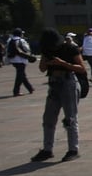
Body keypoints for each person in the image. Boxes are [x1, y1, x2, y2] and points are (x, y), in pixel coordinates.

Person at [30, 29, 86, 162]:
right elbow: (42, 68)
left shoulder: (70, 48)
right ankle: (47, 149)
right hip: (54, 84)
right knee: (48, 118)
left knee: (70, 118)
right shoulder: (47, 49)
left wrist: (62, 63)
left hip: (68, 83)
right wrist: (47, 61)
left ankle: (73, 149)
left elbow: (81, 68)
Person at [7, 28, 35, 96]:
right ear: (20, 34)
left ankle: (30, 88)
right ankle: (16, 91)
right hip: (21, 60)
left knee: (22, 75)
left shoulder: (10, 40)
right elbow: (27, 49)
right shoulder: (21, 40)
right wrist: (30, 55)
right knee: (19, 76)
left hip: (13, 60)